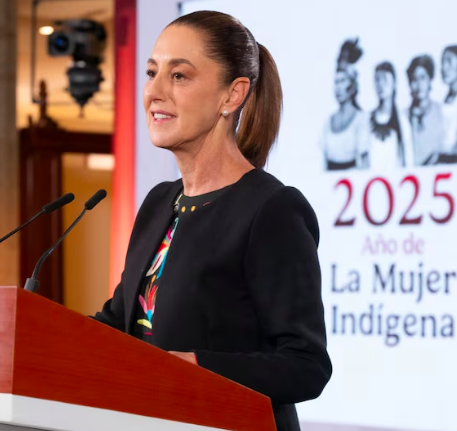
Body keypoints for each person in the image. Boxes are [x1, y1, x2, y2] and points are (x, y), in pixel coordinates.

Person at [92, 10, 332, 431]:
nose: (154, 92)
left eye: (179, 76)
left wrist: (196, 367)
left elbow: (305, 365)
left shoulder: (272, 209)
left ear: (232, 95)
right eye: (151, 73)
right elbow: (118, 322)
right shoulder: (159, 202)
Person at [320, 38, 370, 170]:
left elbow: (365, 165)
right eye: (336, 82)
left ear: (352, 85)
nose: (338, 87)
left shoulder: (361, 119)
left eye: (342, 81)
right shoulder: (328, 122)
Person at [368, 61, 411, 169]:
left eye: (385, 79)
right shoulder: (367, 120)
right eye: (377, 79)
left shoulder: (402, 121)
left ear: (394, 83)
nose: (381, 85)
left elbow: (408, 159)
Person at [405, 54, 444, 166]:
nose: (419, 85)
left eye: (422, 78)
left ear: (430, 80)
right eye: (414, 79)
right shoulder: (403, 117)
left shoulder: (441, 112)